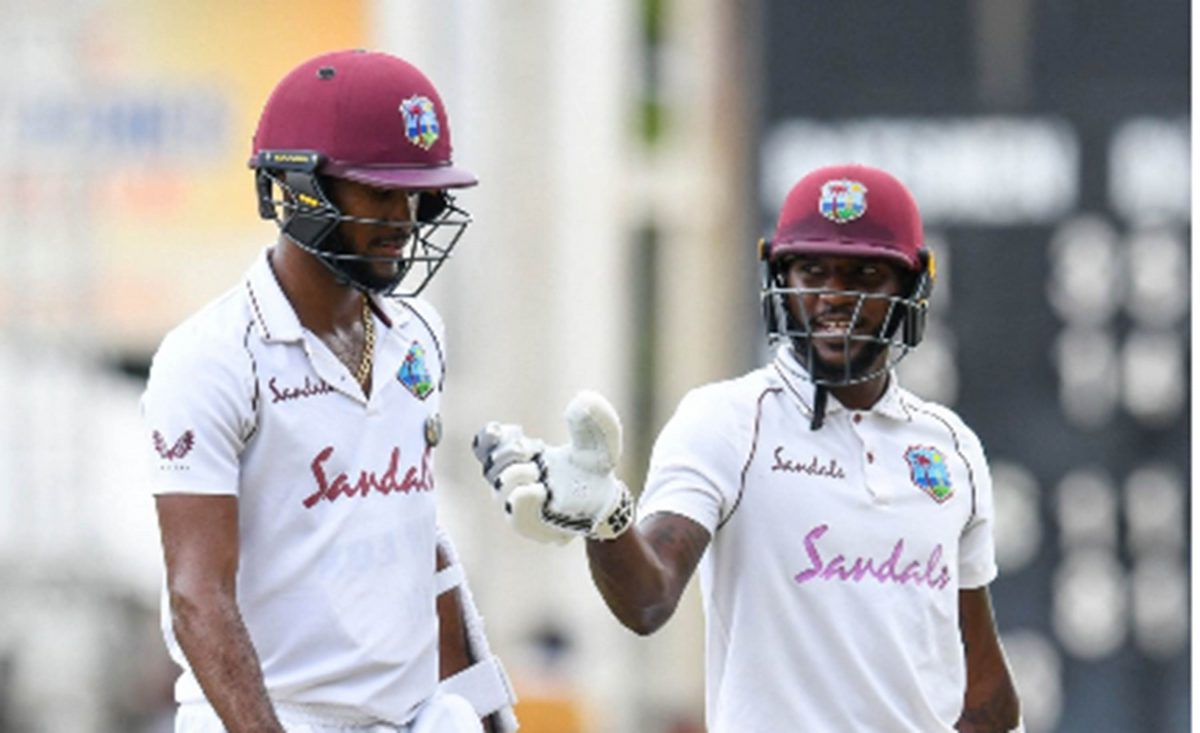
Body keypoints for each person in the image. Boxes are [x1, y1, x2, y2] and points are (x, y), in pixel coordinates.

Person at [472, 164, 1022, 732]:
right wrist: (607, 521)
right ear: (779, 277)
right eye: (812, 271)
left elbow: (982, 690)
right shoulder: (728, 421)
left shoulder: (951, 448)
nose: (834, 298)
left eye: (864, 275)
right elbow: (648, 599)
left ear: (914, 288)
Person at [142, 50, 516, 733]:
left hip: (410, 717)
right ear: (301, 187)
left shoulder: (419, 333)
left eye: (419, 194)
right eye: (380, 191)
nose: (406, 217)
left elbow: (419, 546)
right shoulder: (211, 358)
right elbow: (199, 598)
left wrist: (491, 713)